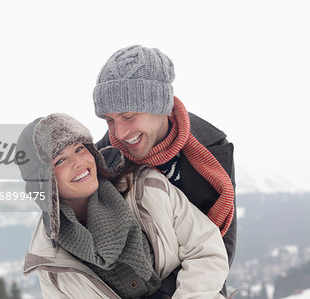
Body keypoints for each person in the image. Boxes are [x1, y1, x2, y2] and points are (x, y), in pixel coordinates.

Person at [17, 113, 229, 299]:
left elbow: (207, 251)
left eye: (80, 149)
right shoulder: (49, 259)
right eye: (60, 161)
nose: (79, 162)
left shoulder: (147, 187)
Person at [93, 45, 236, 297]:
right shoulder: (104, 158)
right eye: (110, 120)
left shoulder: (211, 150)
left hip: (200, 285)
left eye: (128, 116)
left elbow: (220, 245)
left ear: (160, 106)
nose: (120, 133)